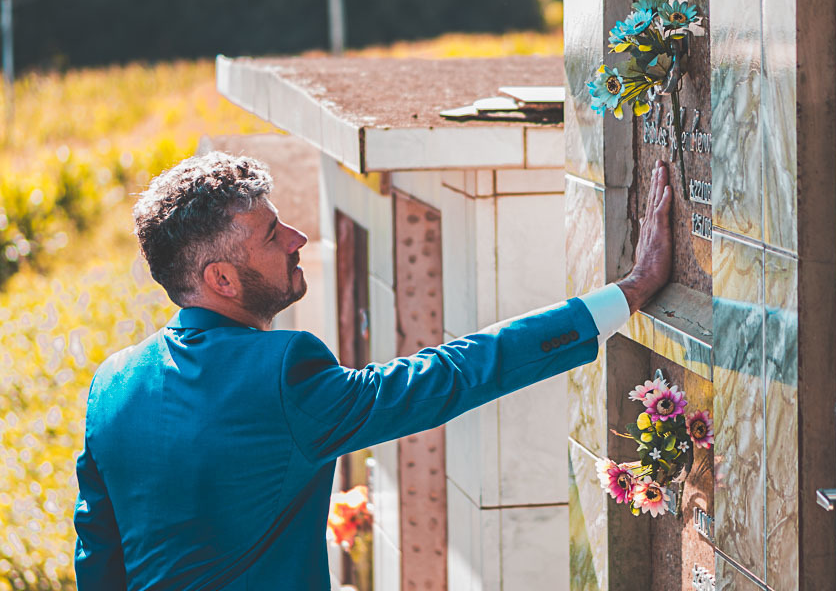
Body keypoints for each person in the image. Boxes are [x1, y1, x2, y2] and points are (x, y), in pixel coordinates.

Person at [73, 151, 673, 590]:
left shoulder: (112, 384)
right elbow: (449, 375)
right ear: (221, 279)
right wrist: (626, 293)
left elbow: (98, 559)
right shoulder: (279, 373)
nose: (297, 237)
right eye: (272, 234)